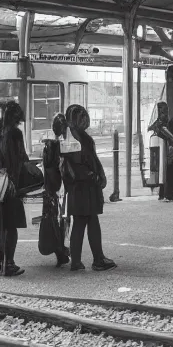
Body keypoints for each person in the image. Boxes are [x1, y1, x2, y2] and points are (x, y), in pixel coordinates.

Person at [62, 104, 116, 272]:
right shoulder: (81, 138)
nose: (86, 120)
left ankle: (77, 261)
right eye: (83, 117)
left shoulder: (69, 137)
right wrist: (96, 176)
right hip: (86, 186)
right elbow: (86, 161)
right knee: (90, 220)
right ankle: (98, 259)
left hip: (75, 186)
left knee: (81, 221)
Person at [0, 101, 30, 277]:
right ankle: (9, 264)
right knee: (11, 226)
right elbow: (20, 159)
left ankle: (2, 262)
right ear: (17, 118)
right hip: (10, 185)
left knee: (4, 225)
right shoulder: (15, 133)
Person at [39, 114, 71, 267]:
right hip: (56, 189)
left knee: (55, 220)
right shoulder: (56, 145)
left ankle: (60, 250)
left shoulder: (49, 143)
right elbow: (54, 169)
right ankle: (60, 251)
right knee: (59, 220)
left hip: (51, 189)